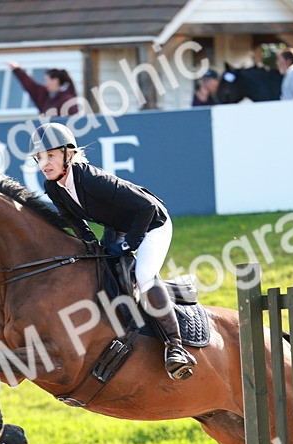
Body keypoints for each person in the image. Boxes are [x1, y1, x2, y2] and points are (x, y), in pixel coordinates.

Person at [28, 122, 196, 381]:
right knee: (100, 266)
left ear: (68, 154)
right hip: (118, 226)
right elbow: (76, 223)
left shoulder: (91, 178)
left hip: (152, 224)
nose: (45, 163)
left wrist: (129, 244)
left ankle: (175, 346)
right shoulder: (53, 187)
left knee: (144, 275)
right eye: (40, 158)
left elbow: (146, 208)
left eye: (50, 155)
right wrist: (89, 245)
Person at [7, 63, 83, 117]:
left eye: (47, 80)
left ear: (55, 81)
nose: (45, 84)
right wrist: (17, 70)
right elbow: (31, 86)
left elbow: (72, 123)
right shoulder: (45, 97)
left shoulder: (68, 100)